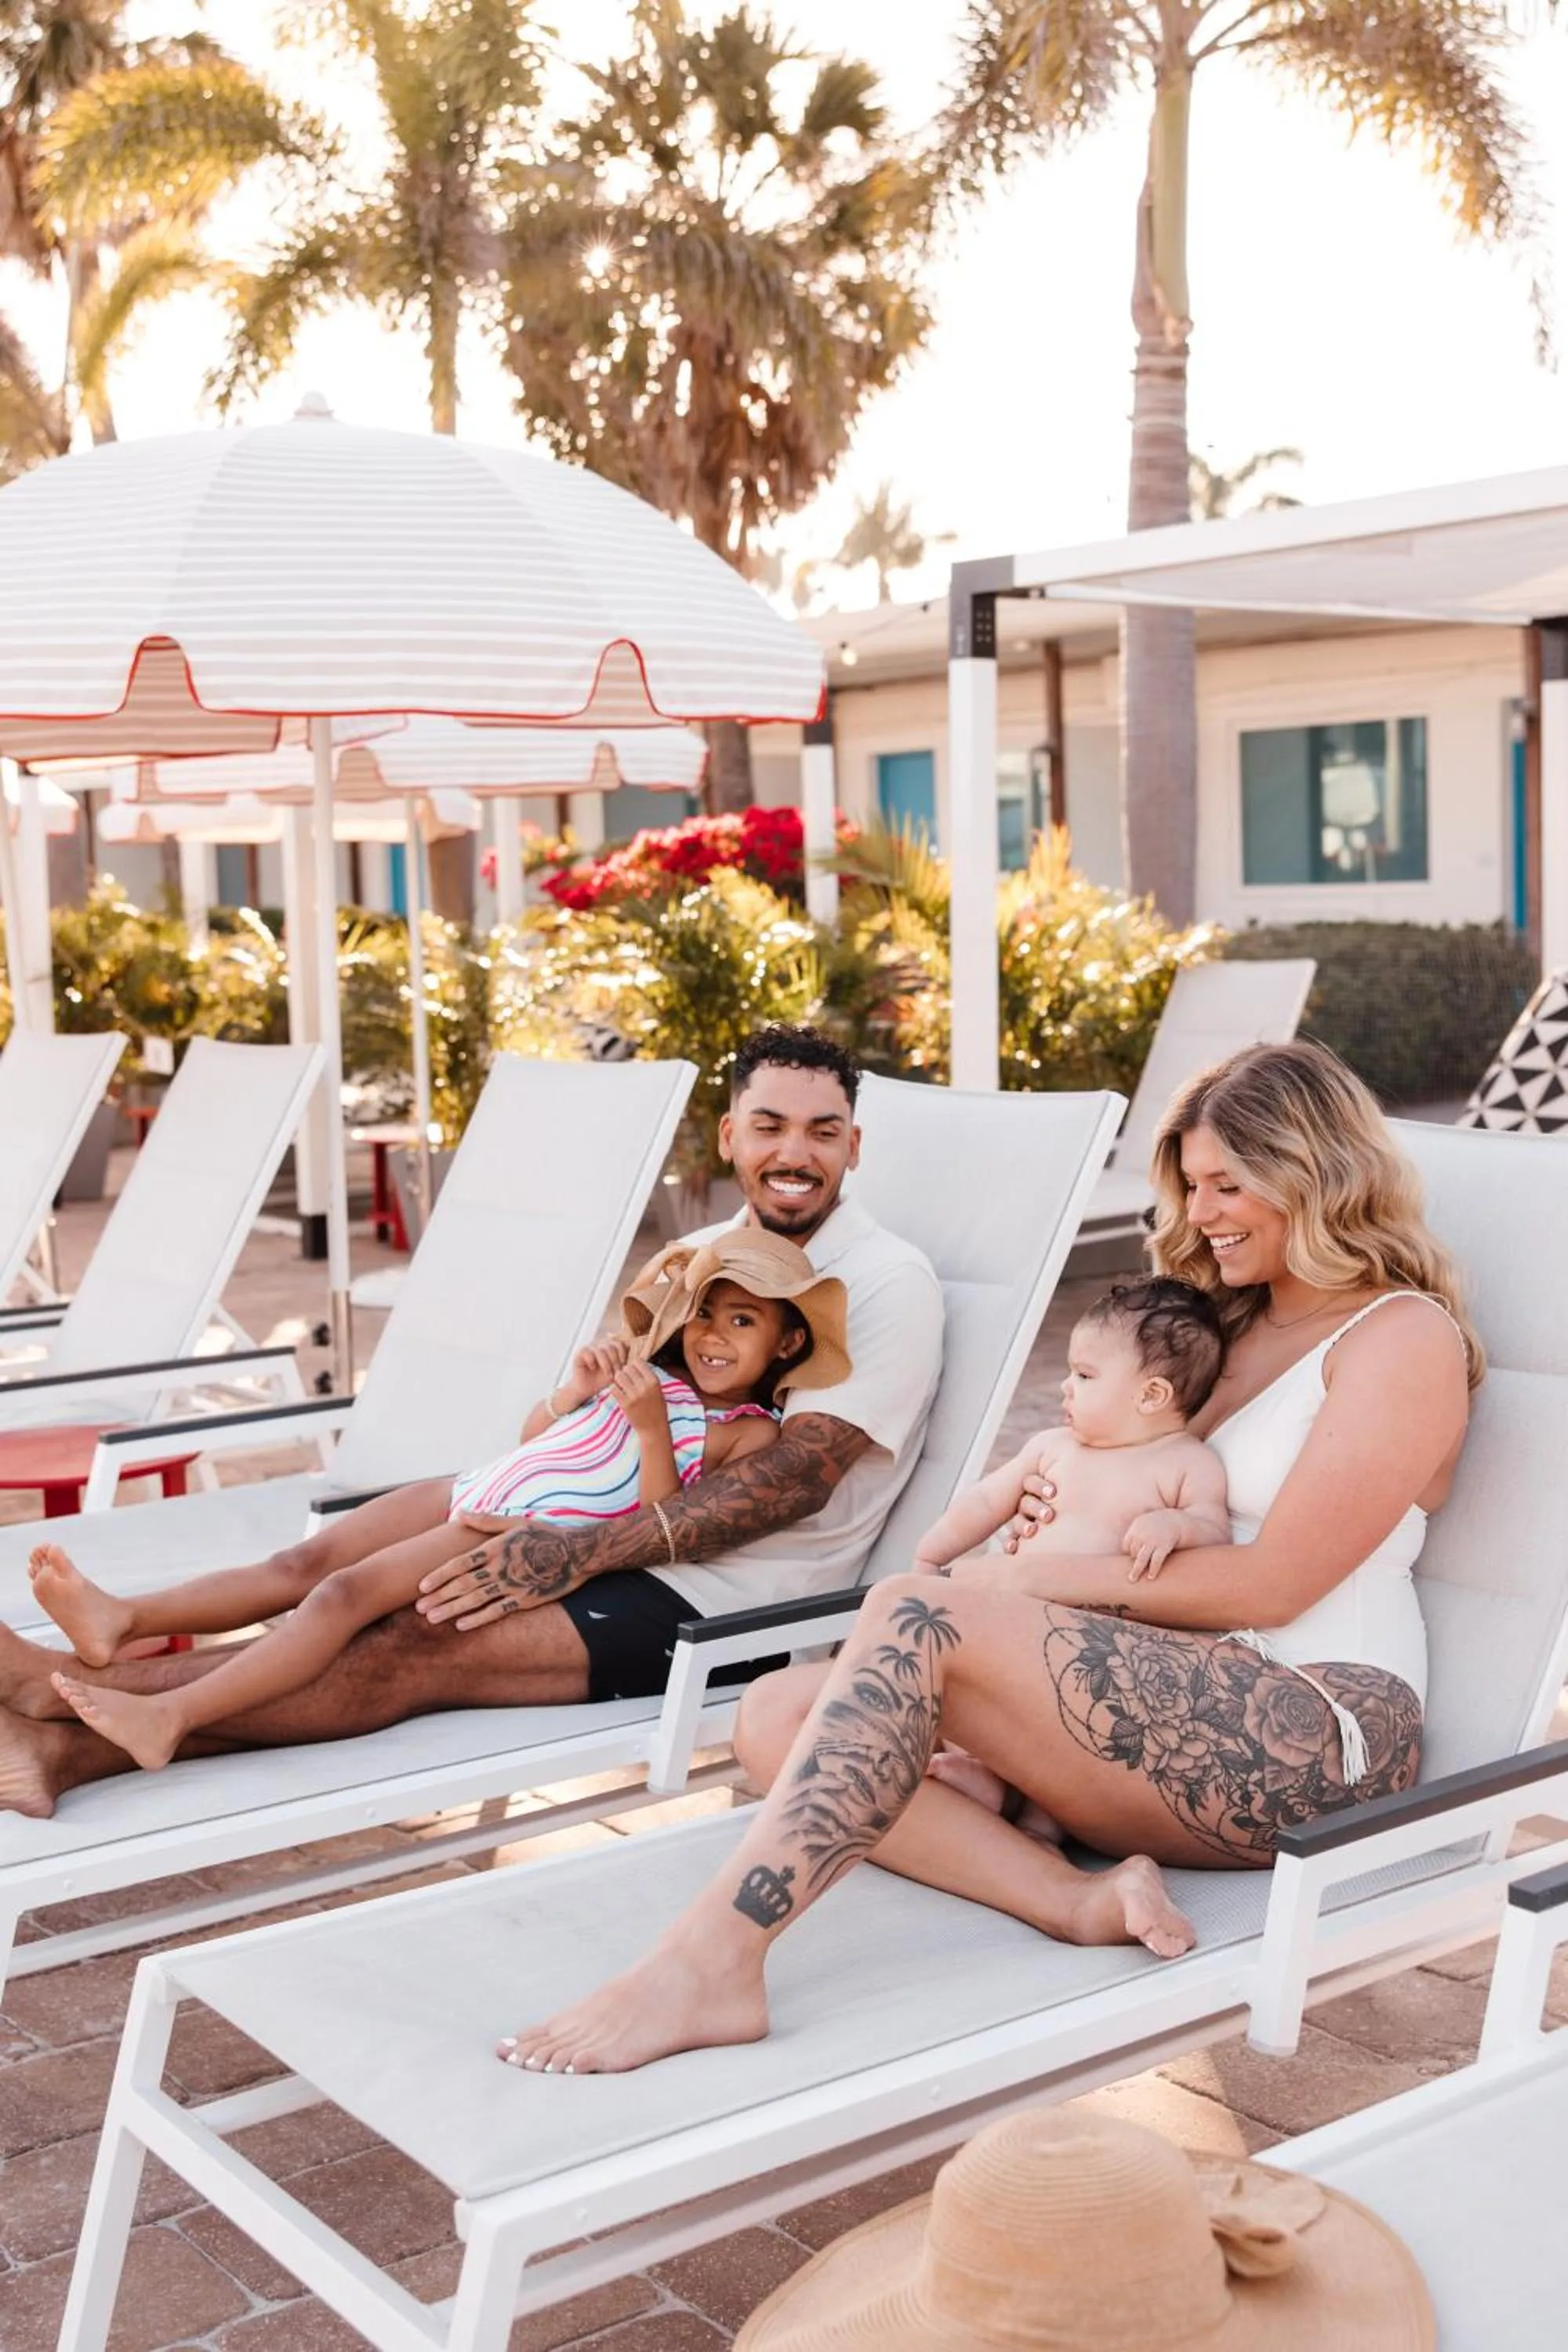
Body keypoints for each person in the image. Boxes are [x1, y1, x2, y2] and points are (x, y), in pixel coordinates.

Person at [499, 1038, 1479, 2075]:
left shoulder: (1399, 1338)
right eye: (1191, 1188)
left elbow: (1277, 1582)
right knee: (776, 1715)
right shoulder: (1213, 1327)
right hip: (1156, 1694)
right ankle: (1075, 1898)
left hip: (1315, 1736)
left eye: (1229, 1186)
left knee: (923, 1609)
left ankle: (710, 1961)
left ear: (1316, 1173)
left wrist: (1028, 1580)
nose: (1200, 1216)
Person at [0, 1024, 945, 1817]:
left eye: (823, 1132)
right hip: (585, 1511)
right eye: (771, 1126)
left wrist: (573, 1552)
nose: (795, 1153)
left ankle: (63, 1719)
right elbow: (591, 1419)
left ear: (852, 1148)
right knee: (321, 1564)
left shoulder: (884, 1284)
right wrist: (537, 1473)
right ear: (730, 1135)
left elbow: (789, 1484)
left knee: (407, 1640)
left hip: (725, 1601)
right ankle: (64, 1724)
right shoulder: (698, 1253)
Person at [34, 1232, 850, 1772]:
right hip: (478, 1483)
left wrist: (645, 1430)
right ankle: (125, 1621)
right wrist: (578, 1392)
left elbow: (659, 1521)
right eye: (703, 1313)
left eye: (739, 1321)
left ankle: (172, 1715)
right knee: (301, 1561)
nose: (712, 1334)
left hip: (507, 1529)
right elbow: (540, 1435)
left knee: (341, 1597)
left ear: (783, 1344)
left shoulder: (745, 1432)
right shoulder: (656, 1373)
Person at [923, 1276, 1231, 1832]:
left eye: (1084, 1375)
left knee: (1077, 1736)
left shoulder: (1186, 1463)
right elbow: (988, 1501)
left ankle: (1046, 1822)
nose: (1066, 1386)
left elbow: (1215, 1532)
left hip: (1100, 1648)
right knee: (980, 1699)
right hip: (1016, 1623)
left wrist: (1176, 1525)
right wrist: (929, 1558)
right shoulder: (1052, 1447)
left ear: (1152, 1395)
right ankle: (982, 1776)